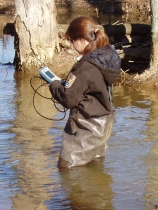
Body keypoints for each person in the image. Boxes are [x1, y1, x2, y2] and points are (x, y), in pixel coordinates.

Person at [49, 16, 121, 169]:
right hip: (104, 122)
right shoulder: (109, 55)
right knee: (94, 166)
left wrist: (54, 84)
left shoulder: (84, 67)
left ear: (81, 40)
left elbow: (67, 98)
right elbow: (91, 86)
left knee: (66, 168)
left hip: (86, 126)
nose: (71, 45)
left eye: (71, 40)